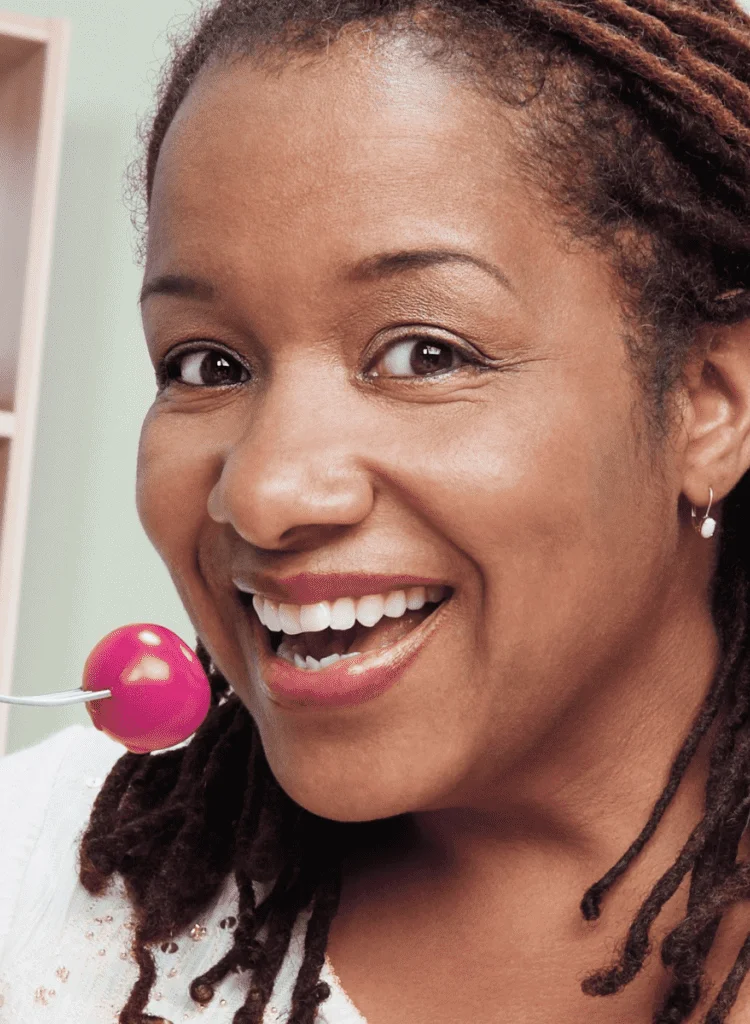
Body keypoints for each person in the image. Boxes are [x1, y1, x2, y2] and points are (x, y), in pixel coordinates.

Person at [2, 0, 750, 1021]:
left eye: (424, 353)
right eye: (205, 363)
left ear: (711, 406)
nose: (262, 492)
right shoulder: (38, 859)